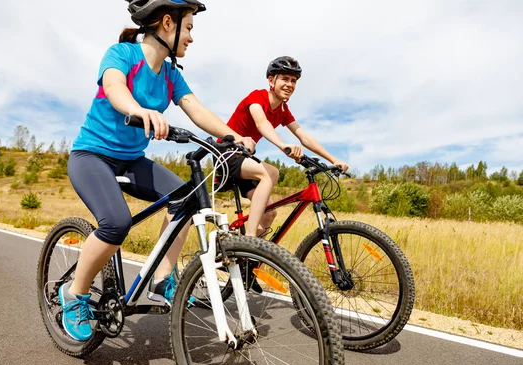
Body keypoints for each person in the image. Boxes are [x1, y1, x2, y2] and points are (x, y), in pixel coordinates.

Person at [61, 0, 255, 342]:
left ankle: (163, 278)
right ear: (168, 23)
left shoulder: (170, 75)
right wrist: (139, 110)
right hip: (91, 156)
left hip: (131, 160)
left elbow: (195, 108)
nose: (192, 37)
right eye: (190, 28)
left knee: (190, 197)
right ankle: (74, 295)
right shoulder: (122, 54)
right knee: (116, 223)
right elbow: (114, 87)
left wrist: (233, 135)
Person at [221, 56, 349, 240]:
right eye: (285, 79)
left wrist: (333, 160)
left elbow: (303, 136)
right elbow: (261, 123)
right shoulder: (257, 97)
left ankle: (243, 257)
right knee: (271, 173)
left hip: (245, 158)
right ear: (271, 80)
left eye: (293, 81)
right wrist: (283, 145)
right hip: (227, 152)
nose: (289, 84)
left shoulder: (282, 110)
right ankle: (248, 239)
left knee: (269, 214)